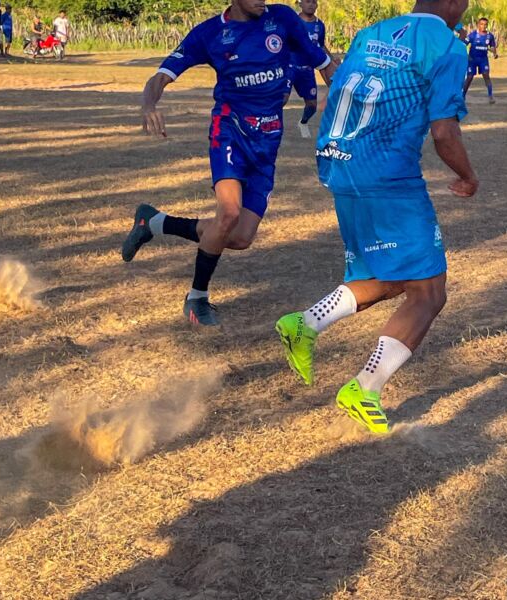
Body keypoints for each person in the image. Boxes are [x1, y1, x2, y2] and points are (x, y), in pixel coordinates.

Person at [275, 0, 478, 434]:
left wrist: (335, 154)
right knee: (428, 292)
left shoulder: (374, 32)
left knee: (390, 275)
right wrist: (468, 176)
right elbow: (444, 132)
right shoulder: (447, 47)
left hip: (340, 163)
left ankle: (304, 324)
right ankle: (365, 387)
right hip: (387, 176)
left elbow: (334, 93)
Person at [120, 0, 337, 326]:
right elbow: (161, 77)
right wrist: (148, 104)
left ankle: (152, 223)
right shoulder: (210, 34)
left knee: (239, 237)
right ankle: (197, 299)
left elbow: (325, 65)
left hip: (268, 143)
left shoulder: (282, 19)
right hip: (230, 133)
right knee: (229, 213)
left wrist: (356, 92)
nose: (262, 1)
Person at [286, 0, 335, 138]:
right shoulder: (292, 21)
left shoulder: (319, 25)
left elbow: (320, 46)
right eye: (307, 2)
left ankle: (303, 122)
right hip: (289, 66)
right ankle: (271, 126)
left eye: (314, 2)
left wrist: (331, 59)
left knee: (312, 105)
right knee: (282, 98)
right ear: (300, 4)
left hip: (307, 69)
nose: (311, 5)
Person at [463, 17, 498, 103]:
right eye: (481, 24)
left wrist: (494, 53)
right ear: (478, 25)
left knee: (486, 75)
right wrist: (466, 55)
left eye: (485, 24)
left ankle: (490, 96)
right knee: (469, 77)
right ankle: (462, 96)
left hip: (483, 59)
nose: (483, 26)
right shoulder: (472, 35)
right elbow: (463, 44)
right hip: (472, 60)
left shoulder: (490, 36)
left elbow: (492, 47)